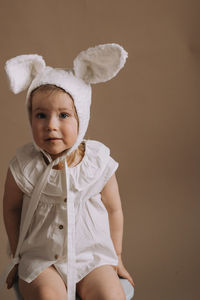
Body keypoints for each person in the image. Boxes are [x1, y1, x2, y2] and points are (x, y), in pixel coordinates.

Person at [1, 43, 134, 300]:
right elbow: (11, 208)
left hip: (91, 258)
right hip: (42, 260)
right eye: (41, 115)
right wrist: (17, 256)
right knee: (47, 296)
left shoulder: (97, 163)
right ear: (30, 118)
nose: (51, 125)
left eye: (63, 115)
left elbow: (113, 209)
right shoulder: (24, 165)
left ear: (81, 118)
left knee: (110, 296)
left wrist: (116, 257)